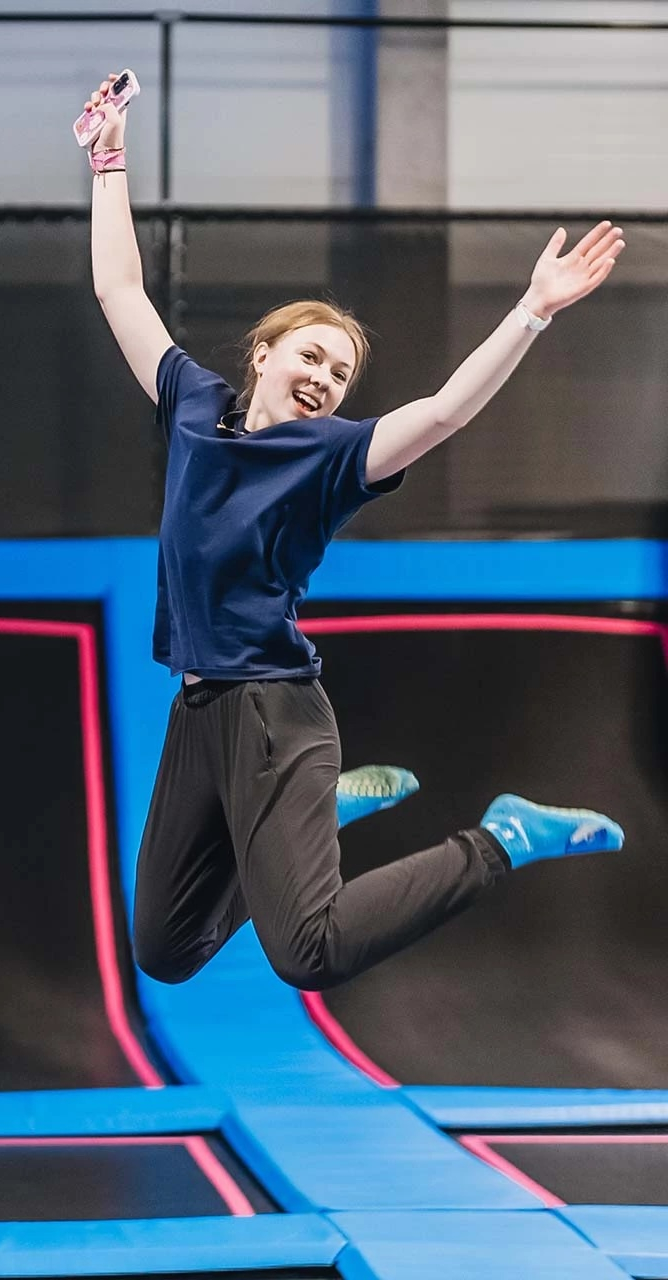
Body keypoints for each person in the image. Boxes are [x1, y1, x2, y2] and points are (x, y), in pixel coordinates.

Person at [80, 73, 626, 993]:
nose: (326, 379)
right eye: (311, 357)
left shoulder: (329, 456)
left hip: (275, 712)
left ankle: (499, 838)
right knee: (164, 948)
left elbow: (448, 411)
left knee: (311, 951)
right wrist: (106, 155)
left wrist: (531, 310)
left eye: (340, 373)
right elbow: (118, 287)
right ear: (263, 353)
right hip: (200, 712)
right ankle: (313, 820)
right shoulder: (192, 406)